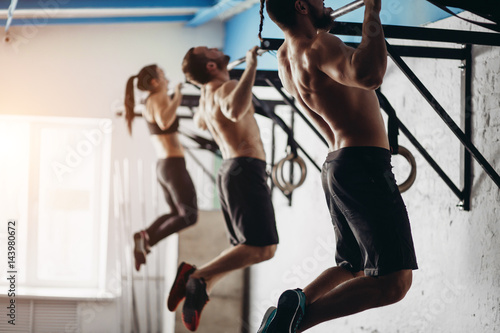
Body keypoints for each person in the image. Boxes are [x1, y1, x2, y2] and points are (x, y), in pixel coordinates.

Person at [256, 0, 418, 332]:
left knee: (352, 264)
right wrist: (372, 12)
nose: (326, 2)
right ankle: (291, 325)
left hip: (337, 164)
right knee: (394, 282)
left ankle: (291, 308)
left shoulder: (287, 56)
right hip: (362, 165)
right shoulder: (318, 46)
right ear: (301, 5)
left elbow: (330, 84)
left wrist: (325, 23)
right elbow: (370, 75)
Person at [167, 46, 279, 331]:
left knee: (252, 249)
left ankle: (203, 283)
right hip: (245, 170)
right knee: (263, 249)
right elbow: (233, 109)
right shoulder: (226, 86)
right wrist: (251, 66)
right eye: (210, 51)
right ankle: (197, 276)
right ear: (211, 67)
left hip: (231, 170)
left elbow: (202, 121)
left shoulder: (207, 95)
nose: (218, 50)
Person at [124, 65, 198, 271]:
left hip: (165, 166)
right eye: (163, 74)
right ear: (155, 82)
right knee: (189, 216)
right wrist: (178, 95)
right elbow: (165, 122)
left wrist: (173, 95)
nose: (166, 77)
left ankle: (144, 236)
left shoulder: (151, 100)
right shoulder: (157, 98)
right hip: (172, 166)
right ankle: (148, 239)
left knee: (176, 212)